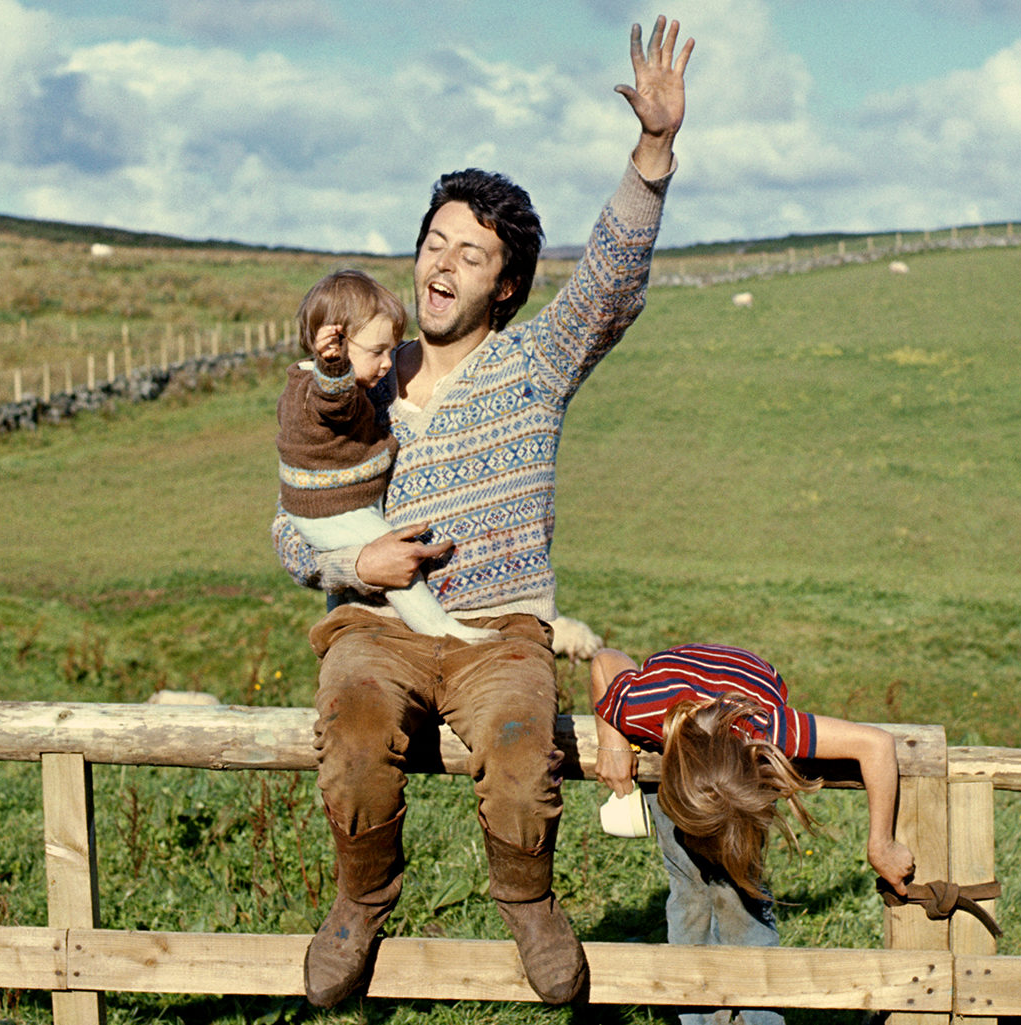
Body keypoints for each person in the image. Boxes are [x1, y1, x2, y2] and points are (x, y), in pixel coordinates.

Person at [271, 16, 694, 1009]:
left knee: (516, 734)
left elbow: (610, 284)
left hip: (499, 630)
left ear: (504, 282)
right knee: (351, 710)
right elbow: (291, 527)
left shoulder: (532, 368)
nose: (441, 264)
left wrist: (654, 151)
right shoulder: (352, 388)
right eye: (432, 242)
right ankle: (360, 895)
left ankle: (528, 898)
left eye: (470, 252)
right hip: (379, 630)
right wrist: (352, 565)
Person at [590, 643, 916, 1025]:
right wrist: (611, 741)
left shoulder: (770, 728)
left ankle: (758, 1012)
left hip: (742, 706)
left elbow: (875, 744)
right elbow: (604, 661)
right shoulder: (643, 709)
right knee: (688, 884)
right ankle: (698, 1011)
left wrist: (881, 844)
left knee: (741, 890)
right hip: (675, 738)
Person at [276, 270, 499, 644]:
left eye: (391, 350)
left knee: (389, 554)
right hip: (331, 508)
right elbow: (335, 402)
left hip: (339, 502)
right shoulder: (317, 391)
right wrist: (335, 368)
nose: (386, 363)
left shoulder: (318, 383)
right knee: (398, 560)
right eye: (377, 352)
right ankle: (439, 628)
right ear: (335, 346)